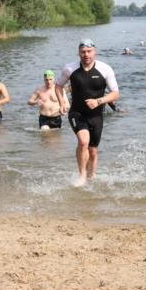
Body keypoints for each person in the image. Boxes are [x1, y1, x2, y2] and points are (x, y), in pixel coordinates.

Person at [56, 39, 120, 185]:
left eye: (89, 51)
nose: (86, 55)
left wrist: (98, 101)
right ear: (79, 53)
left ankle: (92, 175)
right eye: (83, 52)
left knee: (92, 150)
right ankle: (82, 175)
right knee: (83, 142)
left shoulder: (105, 69)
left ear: (94, 52)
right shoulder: (70, 69)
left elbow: (115, 93)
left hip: (96, 115)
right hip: (77, 113)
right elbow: (58, 86)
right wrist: (62, 103)